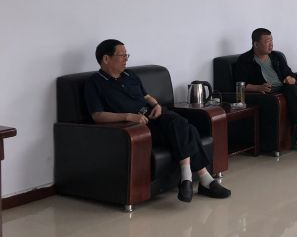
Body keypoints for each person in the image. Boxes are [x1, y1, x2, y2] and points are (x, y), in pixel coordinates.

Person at [84, 39, 231, 202]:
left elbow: (146, 96)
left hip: (155, 115)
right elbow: (97, 115)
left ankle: (189, 178)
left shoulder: (130, 75)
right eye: (122, 55)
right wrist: (128, 116)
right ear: (106, 58)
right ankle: (198, 179)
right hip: (136, 127)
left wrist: (156, 105)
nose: (126, 59)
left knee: (184, 126)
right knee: (186, 128)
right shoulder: (94, 83)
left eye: (127, 55)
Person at [235, 28, 297, 155]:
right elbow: (239, 85)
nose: (271, 44)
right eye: (267, 41)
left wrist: (290, 79)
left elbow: (291, 74)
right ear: (256, 44)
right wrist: (258, 88)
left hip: (284, 89)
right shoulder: (245, 60)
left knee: (293, 89)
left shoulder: (276, 56)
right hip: (268, 95)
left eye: (272, 40)